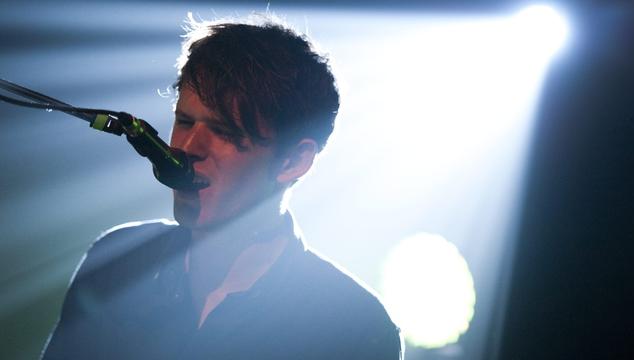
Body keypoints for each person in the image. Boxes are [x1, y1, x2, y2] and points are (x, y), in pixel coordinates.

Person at [41, 15, 403, 360]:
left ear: (293, 161)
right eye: (184, 121)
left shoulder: (353, 326)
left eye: (226, 132)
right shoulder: (117, 260)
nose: (188, 147)